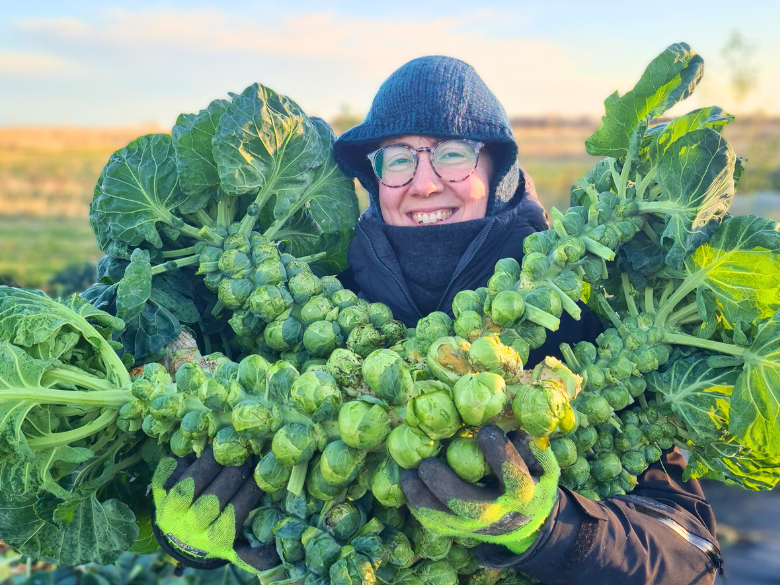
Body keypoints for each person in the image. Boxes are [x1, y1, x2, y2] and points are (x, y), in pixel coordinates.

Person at [151, 56, 722, 584]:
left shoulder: (581, 325)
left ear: (498, 171)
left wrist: (554, 531)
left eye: (451, 152)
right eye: (398, 160)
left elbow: (691, 556)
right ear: (375, 184)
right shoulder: (300, 317)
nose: (423, 183)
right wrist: (191, 540)